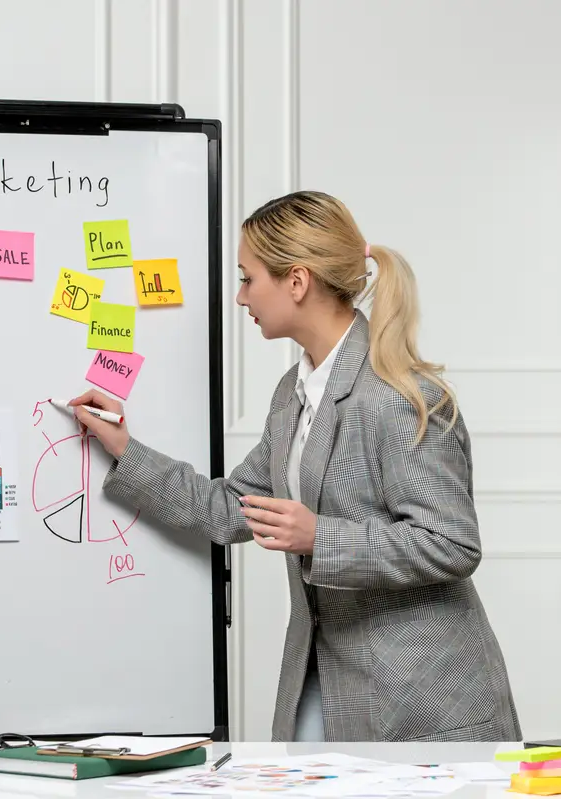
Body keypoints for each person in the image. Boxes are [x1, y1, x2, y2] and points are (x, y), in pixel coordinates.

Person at [71, 190, 521, 743]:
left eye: (248, 278)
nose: (240, 297)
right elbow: (228, 510)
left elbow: (453, 543)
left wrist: (320, 537)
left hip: (421, 703)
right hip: (326, 682)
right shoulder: (294, 393)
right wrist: (122, 446)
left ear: (297, 281)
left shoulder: (399, 396)